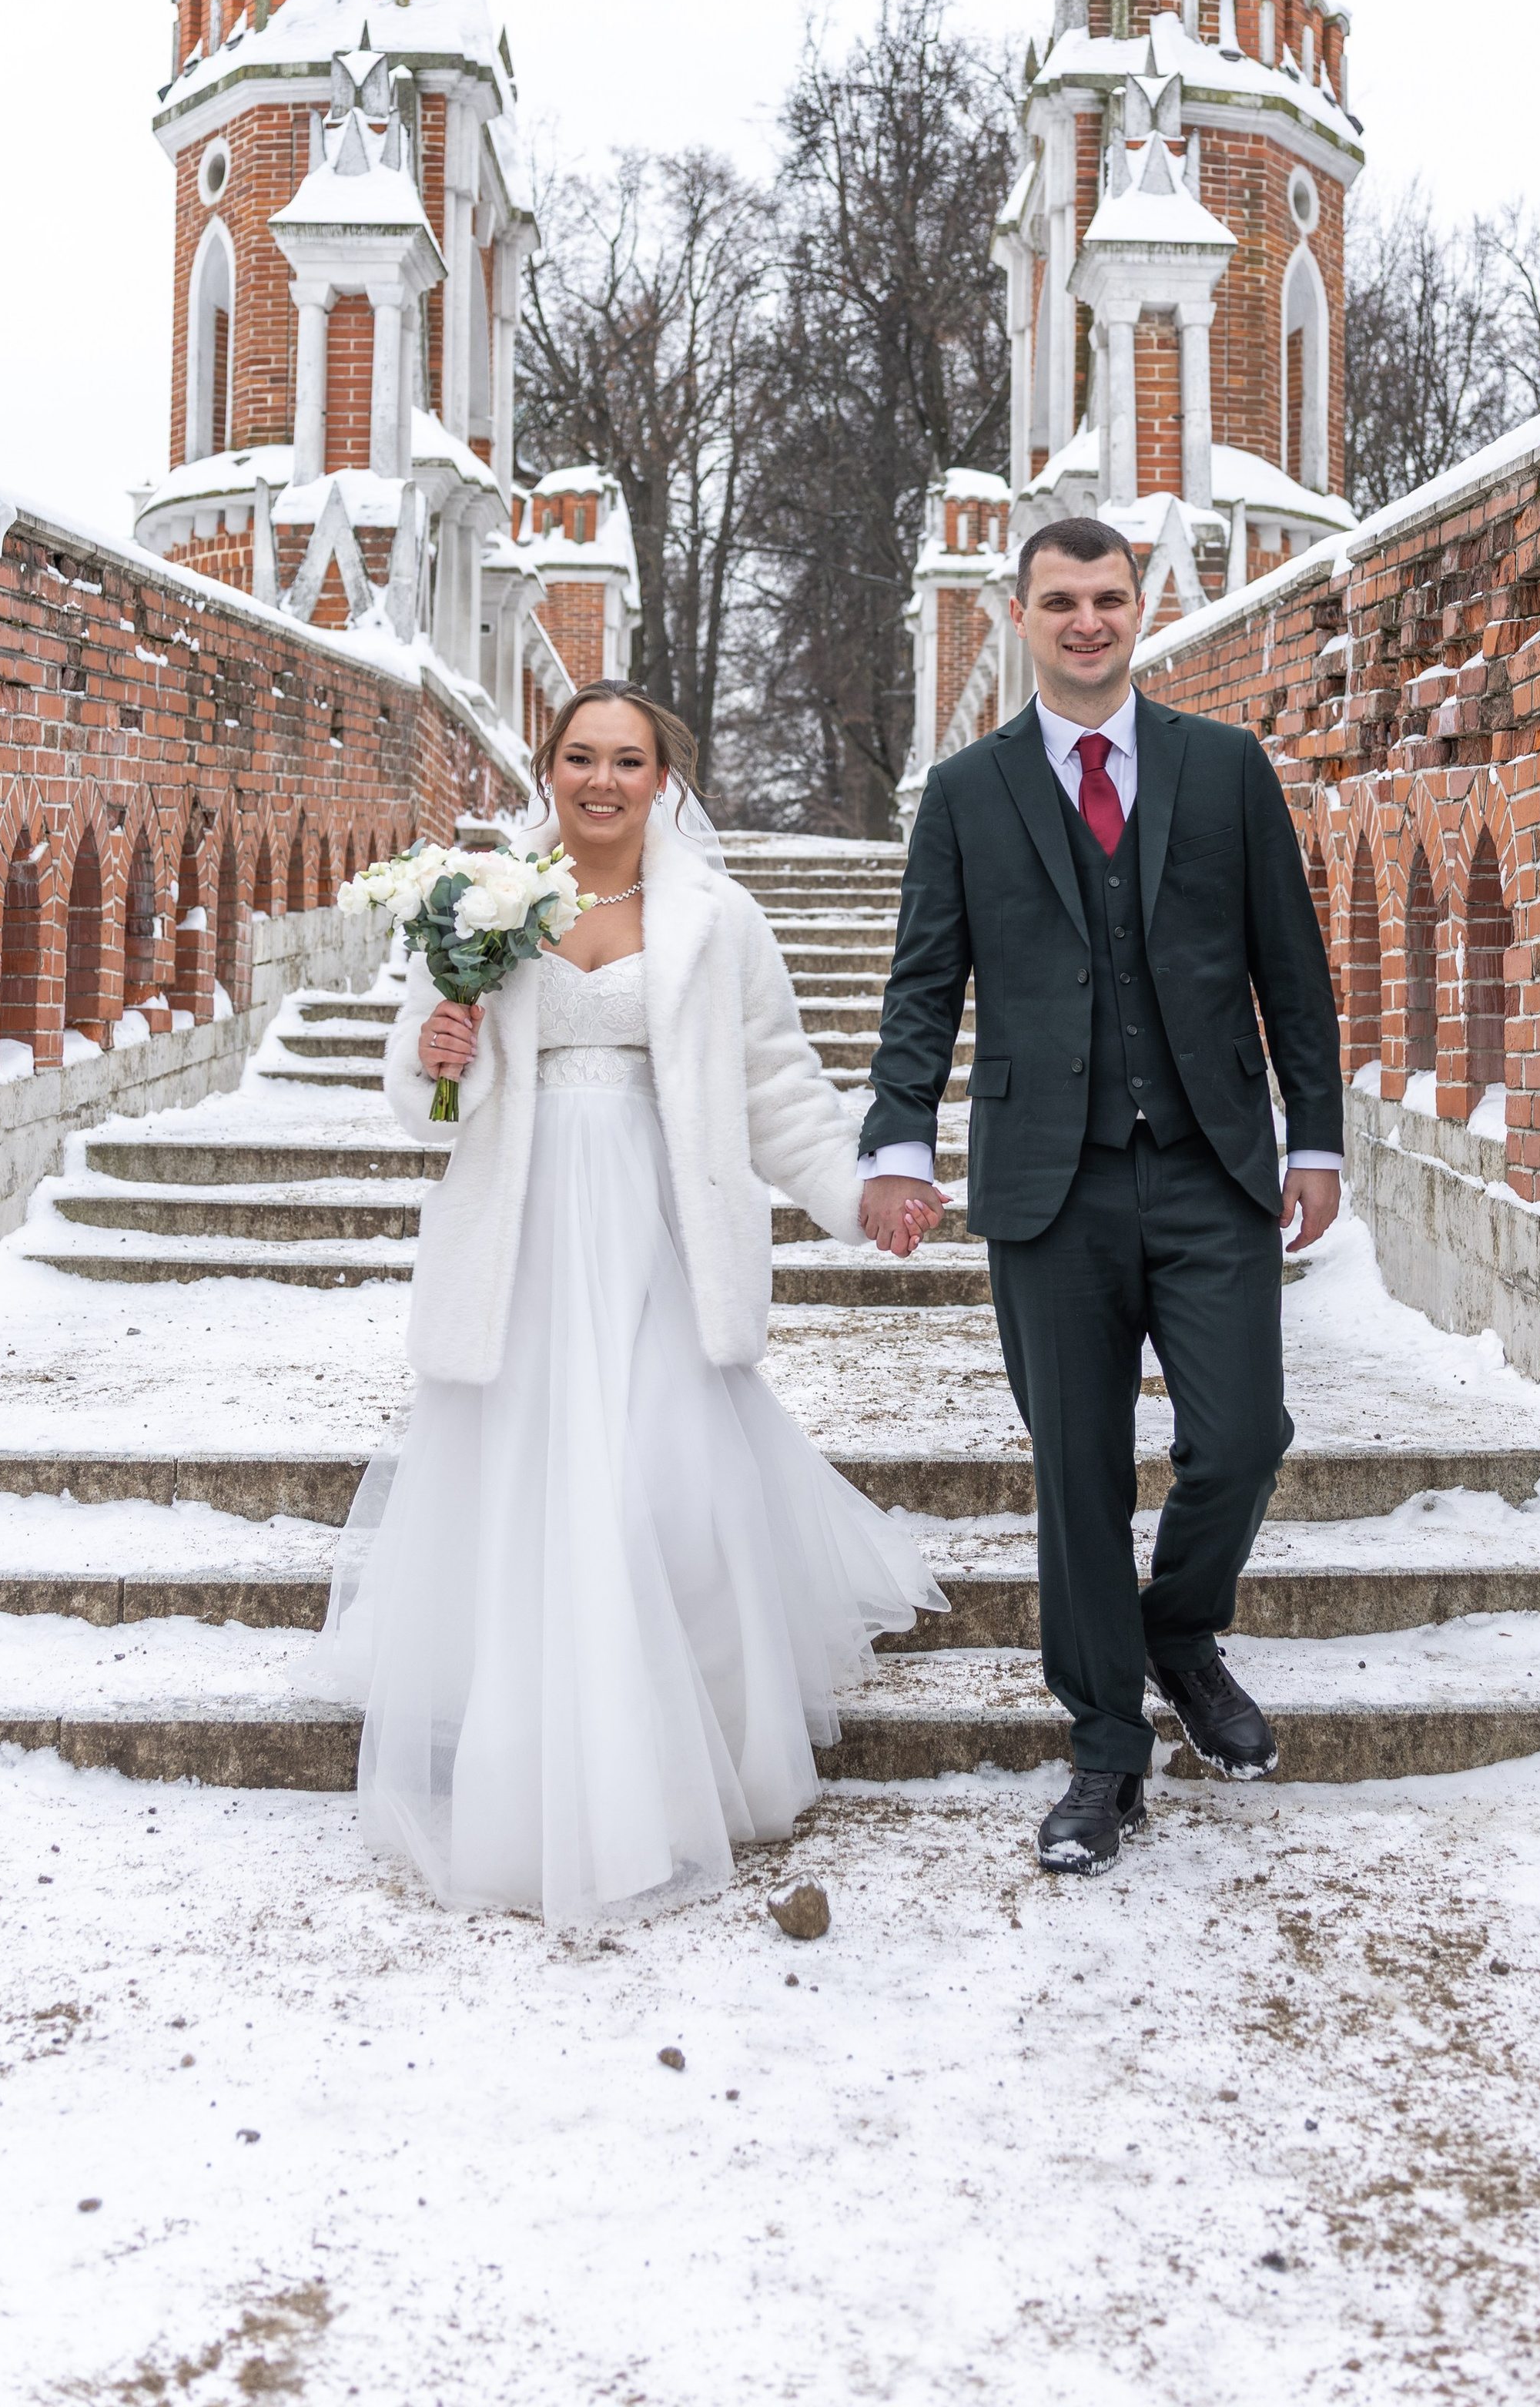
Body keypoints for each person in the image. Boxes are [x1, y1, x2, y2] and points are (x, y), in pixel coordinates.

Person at [305, 679, 941, 1928]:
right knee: (536, 1505)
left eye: (629, 761)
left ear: (665, 777)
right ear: (550, 768)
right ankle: (544, 1778)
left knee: (671, 1489)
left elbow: (778, 1088)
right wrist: (439, 1055)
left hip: (660, 1235)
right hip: (526, 1240)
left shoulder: (719, 919)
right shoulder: (480, 905)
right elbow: (418, 1094)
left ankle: (686, 1749)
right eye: (582, 758)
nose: (602, 781)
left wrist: (855, 1193)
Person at [859, 517, 1342, 1874]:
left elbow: (1290, 971)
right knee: (1075, 1473)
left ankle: (1179, 1629)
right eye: (1060, 601)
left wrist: (1319, 1138)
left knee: (1242, 1435)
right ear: (1019, 616)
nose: (1087, 621)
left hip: (1211, 1163)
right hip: (1045, 1180)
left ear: (1144, 609)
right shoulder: (966, 793)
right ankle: (1103, 1751)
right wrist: (900, 1141)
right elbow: (921, 990)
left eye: (1109, 598)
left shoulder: (1225, 767)